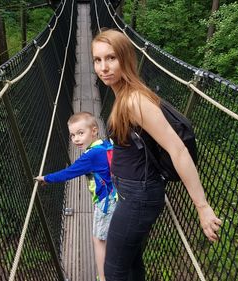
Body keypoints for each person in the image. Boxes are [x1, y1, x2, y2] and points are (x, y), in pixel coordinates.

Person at [91, 29, 222, 280]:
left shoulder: (134, 101)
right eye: (98, 60)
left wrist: (202, 207)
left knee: (114, 270)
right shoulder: (123, 94)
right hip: (133, 193)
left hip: (138, 199)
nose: (103, 67)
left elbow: (178, 149)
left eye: (111, 58)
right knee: (130, 264)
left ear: (126, 59)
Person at [35, 111, 117, 281]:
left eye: (81, 133)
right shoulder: (106, 145)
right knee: (108, 235)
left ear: (94, 130)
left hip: (105, 201)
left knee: (98, 239)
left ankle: (103, 277)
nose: (76, 139)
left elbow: (69, 173)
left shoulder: (90, 155)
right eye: (73, 135)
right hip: (117, 196)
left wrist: (46, 178)